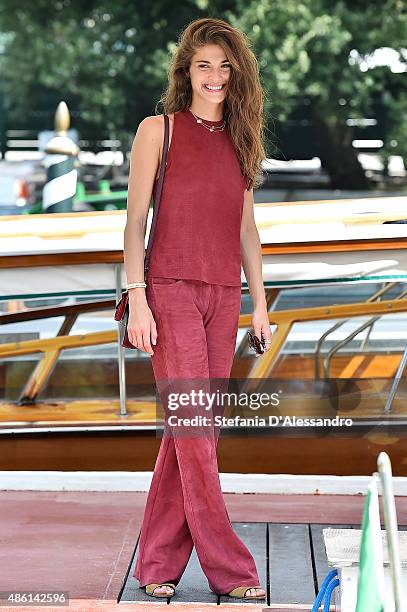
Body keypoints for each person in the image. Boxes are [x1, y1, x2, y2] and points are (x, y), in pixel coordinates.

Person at [123, 16, 272, 601]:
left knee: (187, 432)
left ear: (238, 76)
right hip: (170, 291)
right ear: (186, 71)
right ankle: (230, 567)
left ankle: (156, 565)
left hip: (223, 297)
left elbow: (248, 231)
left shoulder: (240, 139)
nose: (214, 76)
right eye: (204, 65)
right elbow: (134, 223)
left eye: (224, 66)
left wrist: (259, 304)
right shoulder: (158, 130)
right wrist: (136, 297)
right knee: (196, 426)